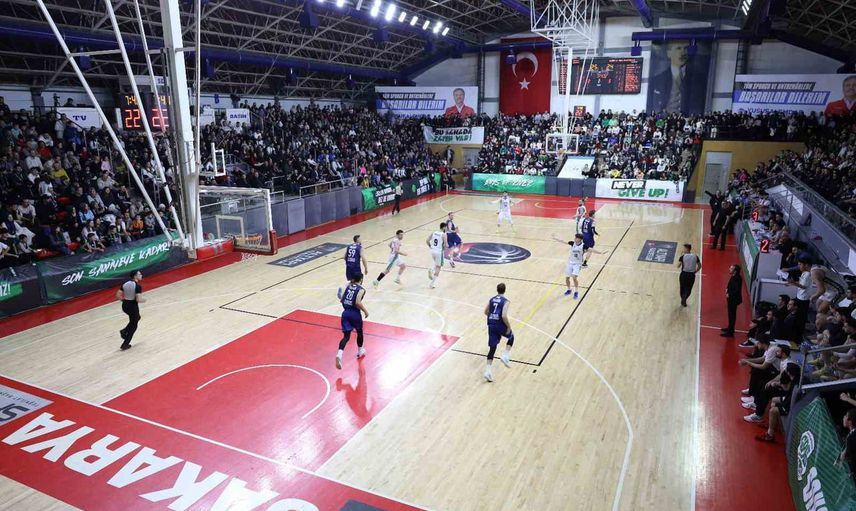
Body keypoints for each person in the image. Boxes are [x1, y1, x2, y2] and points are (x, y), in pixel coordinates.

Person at [336, 273, 369, 370]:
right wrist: (365, 311)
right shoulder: (361, 289)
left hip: (345, 313)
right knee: (359, 332)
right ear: (361, 279)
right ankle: (360, 351)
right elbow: (358, 302)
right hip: (355, 314)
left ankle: (339, 354)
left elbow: (342, 300)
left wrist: (347, 308)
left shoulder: (348, 286)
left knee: (346, 337)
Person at [483, 282, 514, 382]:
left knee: (492, 348)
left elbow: (485, 312)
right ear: (505, 290)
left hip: (491, 324)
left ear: (497, 290)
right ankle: (505, 355)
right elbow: (504, 315)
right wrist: (508, 326)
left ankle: (487, 371)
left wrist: (492, 316)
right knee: (511, 336)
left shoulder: (491, 299)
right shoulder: (506, 301)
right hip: (499, 324)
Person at [116, 270, 145, 351]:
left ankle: (124, 330)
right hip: (133, 306)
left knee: (136, 318)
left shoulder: (125, 284)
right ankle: (125, 344)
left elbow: (118, 295)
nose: (141, 275)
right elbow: (138, 299)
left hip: (125, 305)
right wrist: (144, 300)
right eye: (139, 274)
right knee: (134, 325)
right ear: (135, 276)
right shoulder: (137, 286)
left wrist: (124, 301)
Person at [786, 257, 813, 341]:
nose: (799, 266)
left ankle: (798, 337)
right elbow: (801, 283)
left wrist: (793, 282)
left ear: (806, 265)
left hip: (803, 299)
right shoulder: (804, 273)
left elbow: (803, 286)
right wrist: (791, 283)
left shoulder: (808, 274)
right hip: (799, 296)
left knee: (800, 318)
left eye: (800, 264)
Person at [721, 264, 743, 337]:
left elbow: (736, 290)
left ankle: (730, 332)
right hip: (731, 299)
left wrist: (729, 294)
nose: (729, 269)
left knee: (732, 315)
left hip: (733, 299)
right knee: (731, 315)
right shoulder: (734, 276)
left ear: (735, 271)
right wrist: (727, 289)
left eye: (731, 268)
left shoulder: (737, 278)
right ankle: (730, 328)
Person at [426, 223, 448, 289]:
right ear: (444, 227)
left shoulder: (434, 232)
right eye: (446, 227)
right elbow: (446, 245)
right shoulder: (443, 234)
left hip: (432, 251)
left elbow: (427, 240)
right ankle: (431, 284)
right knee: (438, 267)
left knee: (436, 263)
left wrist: (430, 246)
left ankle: (431, 270)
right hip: (439, 252)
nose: (446, 228)